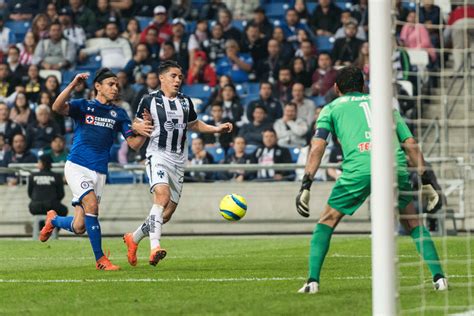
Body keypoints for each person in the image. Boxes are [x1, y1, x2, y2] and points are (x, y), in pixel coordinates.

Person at [295, 66, 447, 293]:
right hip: (392, 165)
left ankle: (312, 282)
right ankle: (440, 278)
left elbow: (317, 147)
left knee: (327, 221)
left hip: (359, 169)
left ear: (336, 88)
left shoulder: (330, 108)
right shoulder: (386, 105)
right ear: (363, 87)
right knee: (413, 222)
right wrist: (428, 181)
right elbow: (410, 144)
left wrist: (306, 184)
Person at [39, 68, 152, 271]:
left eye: (117, 84)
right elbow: (56, 107)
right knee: (92, 206)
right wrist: (73, 84)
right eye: (111, 84)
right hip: (77, 166)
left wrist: (146, 131)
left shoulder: (119, 114)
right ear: (97, 87)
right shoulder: (84, 106)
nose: (115, 87)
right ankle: (101, 260)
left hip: (99, 172)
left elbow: (134, 144)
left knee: (80, 226)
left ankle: (54, 220)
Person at [122, 60, 233, 267]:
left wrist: (216, 129)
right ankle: (155, 247)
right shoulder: (149, 100)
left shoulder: (185, 101)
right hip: (158, 154)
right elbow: (135, 123)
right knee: (161, 197)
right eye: (173, 76)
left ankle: (134, 238)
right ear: (161, 78)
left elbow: (193, 124)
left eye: (180, 77)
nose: (178, 80)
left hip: (179, 160)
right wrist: (139, 126)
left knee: (167, 214)